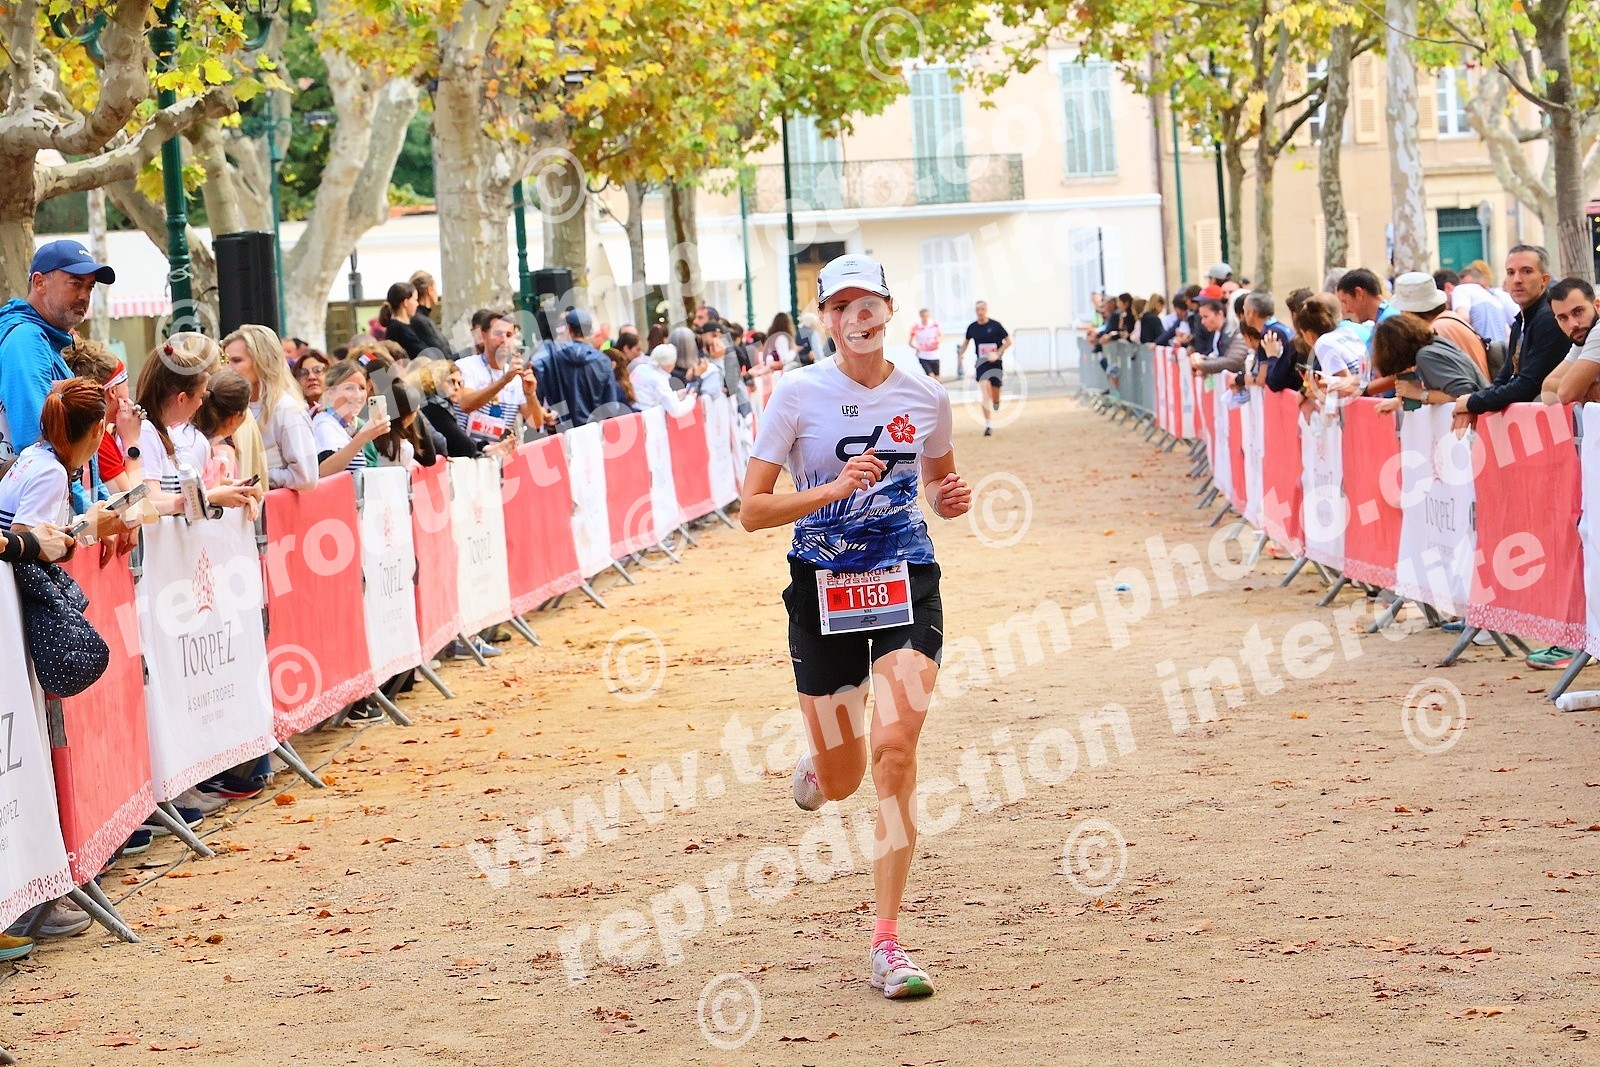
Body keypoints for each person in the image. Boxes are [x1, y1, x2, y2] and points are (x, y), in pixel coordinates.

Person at [739, 253, 970, 1001]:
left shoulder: (925, 396)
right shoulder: (798, 394)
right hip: (822, 587)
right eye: (839, 307)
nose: (855, 318)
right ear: (825, 321)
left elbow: (937, 480)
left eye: (866, 302)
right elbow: (751, 510)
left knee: (894, 750)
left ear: (888, 309)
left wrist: (948, 498)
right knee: (843, 779)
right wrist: (833, 489)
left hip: (906, 581)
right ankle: (819, 768)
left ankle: (887, 942)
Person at [0, 376, 109, 944]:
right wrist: (68, 538)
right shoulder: (47, 470)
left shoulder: (37, 459)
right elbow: (26, 541)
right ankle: (34, 891)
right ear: (94, 431)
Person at [0, 240, 114, 465]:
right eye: (75, 283)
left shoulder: (42, 339)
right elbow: (36, 446)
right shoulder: (26, 339)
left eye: (90, 287)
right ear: (39, 282)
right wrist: (78, 490)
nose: (84, 296)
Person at [1453, 245, 1566, 421]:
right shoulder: (1520, 321)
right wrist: (1473, 403)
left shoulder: (1549, 318)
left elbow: (1528, 385)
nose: (1517, 279)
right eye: (1511, 272)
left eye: (1527, 271)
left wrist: (1473, 402)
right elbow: (1505, 377)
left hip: (1554, 423)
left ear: (1544, 280)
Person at [222, 324, 319, 491]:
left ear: (262, 362)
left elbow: (306, 477)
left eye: (237, 361)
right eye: (225, 361)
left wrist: (254, 476)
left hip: (272, 505)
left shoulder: (287, 409)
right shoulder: (228, 407)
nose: (228, 368)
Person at [1369, 314, 1487, 416]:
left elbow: (1463, 394)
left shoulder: (1425, 356)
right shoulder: (1435, 344)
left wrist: (1418, 393)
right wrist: (1400, 401)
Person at [456, 311, 544, 443]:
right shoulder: (465, 366)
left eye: (509, 335)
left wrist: (530, 394)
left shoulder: (516, 377)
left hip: (502, 451)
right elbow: (466, 404)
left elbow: (536, 423)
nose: (504, 340)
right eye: (497, 334)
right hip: (470, 451)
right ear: (484, 335)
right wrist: (504, 380)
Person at [1389, 272, 1490, 378]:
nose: (1401, 315)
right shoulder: (1449, 318)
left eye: (1402, 311)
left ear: (1409, 311)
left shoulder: (1437, 330)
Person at [539, 309, 622, 427]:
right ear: (589, 331)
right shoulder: (603, 361)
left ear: (568, 328)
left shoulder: (552, 358)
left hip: (562, 430)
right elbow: (611, 408)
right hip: (594, 431)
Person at [312, 361, 391, 475]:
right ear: (330, 393)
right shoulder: (324, 424)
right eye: (349, 388)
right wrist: (362, 437)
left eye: (362, 388)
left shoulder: (350, 425)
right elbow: (324, 471)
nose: (358, 395)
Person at [1538, 278, 1600, 404]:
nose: (1573, 324)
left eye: (1578, 312)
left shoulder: (1597, 331)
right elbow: (1547, 390)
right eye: (1563, 318)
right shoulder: (1583, 336)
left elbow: (1566, 394)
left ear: (1597, 306)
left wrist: (1579, 388)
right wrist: (1589, 388)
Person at [957, 300, 1011, 436]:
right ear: (975, 311)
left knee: (995, 393)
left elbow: (1009, 341)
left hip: (996, 363)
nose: (980, 312)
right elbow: (966, 343)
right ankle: (988, 425)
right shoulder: (972, 327)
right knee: (985, 390)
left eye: (982, 309)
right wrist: (960, 356)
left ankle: (996, 401)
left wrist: (997, 353)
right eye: (978, 310)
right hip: (981, 363)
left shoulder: (995, 325)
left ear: (986, 310)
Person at [631, 343, 695, 416]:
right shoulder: (659, 379)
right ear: (669, 365)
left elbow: (650, 393)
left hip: (633, 413)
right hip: (647, 417)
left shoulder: (640, 368)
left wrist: (675, 395)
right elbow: (675, 411)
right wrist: (691, 398)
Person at [1334, 269, 1399, 340]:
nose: (1346, 310)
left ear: (1359, 293)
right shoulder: (1385, 320)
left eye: (1345, 302)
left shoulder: (1389, 324)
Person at [408, 270, 451, 356]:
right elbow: (442, 354)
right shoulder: (421, 321)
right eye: (435, 288)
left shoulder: (420, 318)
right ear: (430, 290)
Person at [908, 308, 943, 377]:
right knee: (930, 376)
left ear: (929, 315)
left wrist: (938, 341)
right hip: (923, 355)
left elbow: (942, 336)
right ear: (920, 316)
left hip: (934, 355)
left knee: (937, 377)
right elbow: (910, 342)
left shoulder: (935, 324)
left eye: (926, 316)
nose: (925, 318)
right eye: (923, 316)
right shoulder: (916, 326)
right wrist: (916, 348)